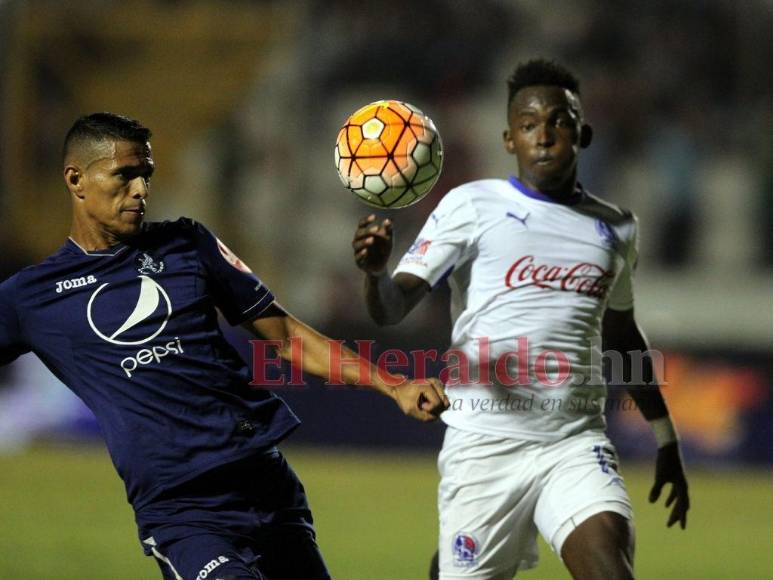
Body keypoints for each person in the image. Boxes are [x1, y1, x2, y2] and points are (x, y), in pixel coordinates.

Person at [0, 112, 448, 579]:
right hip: (184, 511)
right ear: (76, 179)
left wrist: (393, 384)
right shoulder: (33, 296)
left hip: (264, 484)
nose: (140, 190)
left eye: (146, 175)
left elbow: (288, 337)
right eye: (124, 175)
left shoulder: (187, 244)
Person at [352, 59, 689, 580]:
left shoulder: (617, 227)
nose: (545, 135)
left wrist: (665, 437)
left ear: (583, 133)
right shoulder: (471, 206)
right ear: (509, 139)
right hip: (484, 448)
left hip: (574, 442)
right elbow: (392, 308)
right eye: (529, 125)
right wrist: (375, 275)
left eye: (559, 120)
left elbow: (621, 334)